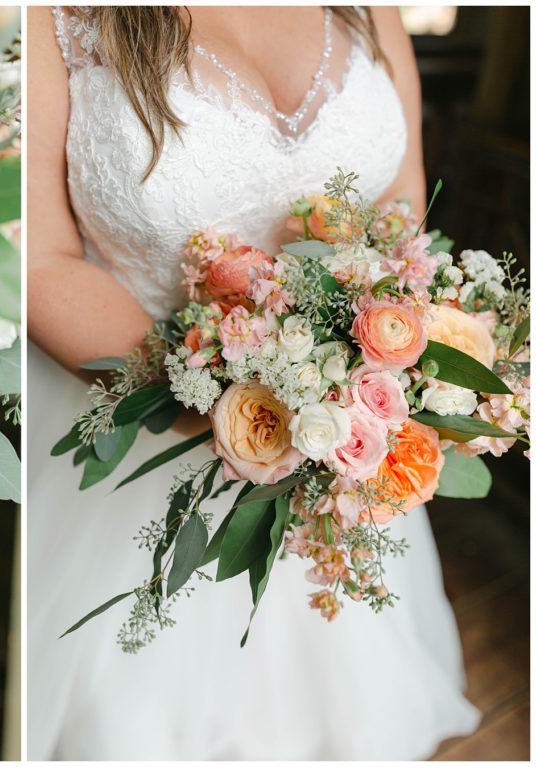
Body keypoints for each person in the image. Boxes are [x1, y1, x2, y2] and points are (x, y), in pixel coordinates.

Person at [27, 6, 480, 759]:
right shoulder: (54, 18)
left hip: (348, 449)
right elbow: (40, 261)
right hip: (149, 452)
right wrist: (245, 415)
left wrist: (353, 389)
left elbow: (400, 197)